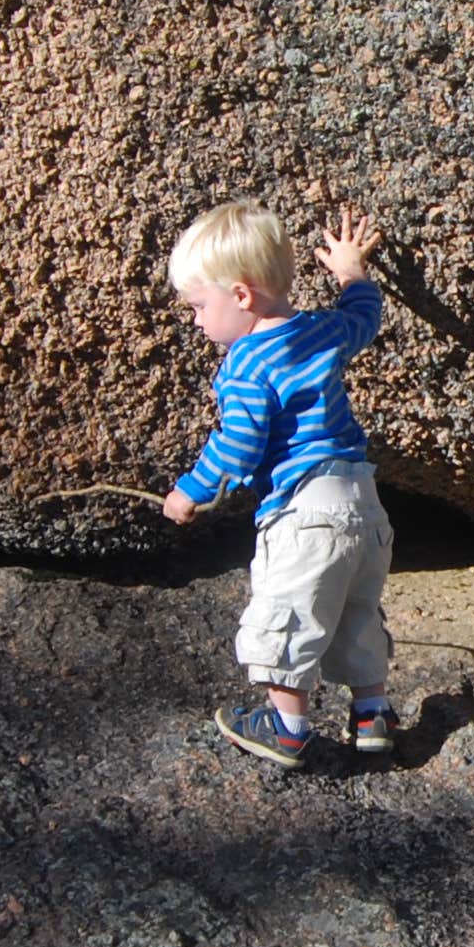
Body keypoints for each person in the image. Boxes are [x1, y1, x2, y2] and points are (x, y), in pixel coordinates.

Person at [159, 202, 396, 769]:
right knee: (356, 610)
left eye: (199, 306)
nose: (196, 321)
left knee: (289, 612)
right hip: (363, 503)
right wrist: (351, 272)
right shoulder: (321, 329)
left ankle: (287, 728)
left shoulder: (245, 364)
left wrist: (190, 490)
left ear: (241, 296)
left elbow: (239, 444)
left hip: (303, 511)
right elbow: (363, 317)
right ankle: (373, 715)